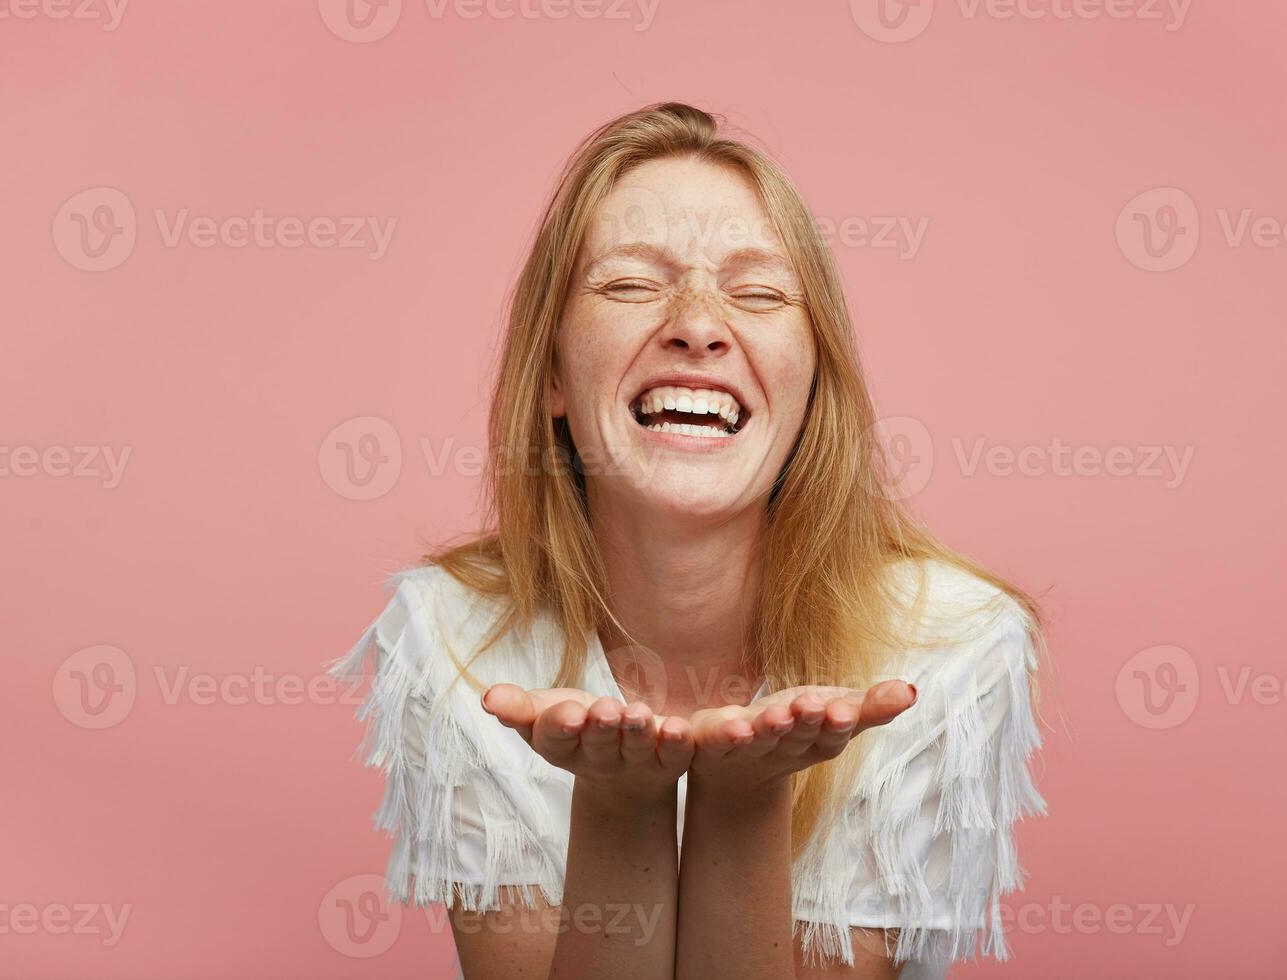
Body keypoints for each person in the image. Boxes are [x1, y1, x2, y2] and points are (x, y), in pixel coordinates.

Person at [332, 101, 1047, 980]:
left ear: (812, 384)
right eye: (631, 283)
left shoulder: (949, 646)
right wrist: (620, 805)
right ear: (553, 373)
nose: (699, 324)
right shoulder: (451, 635)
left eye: (757, 293)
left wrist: (743, 803)